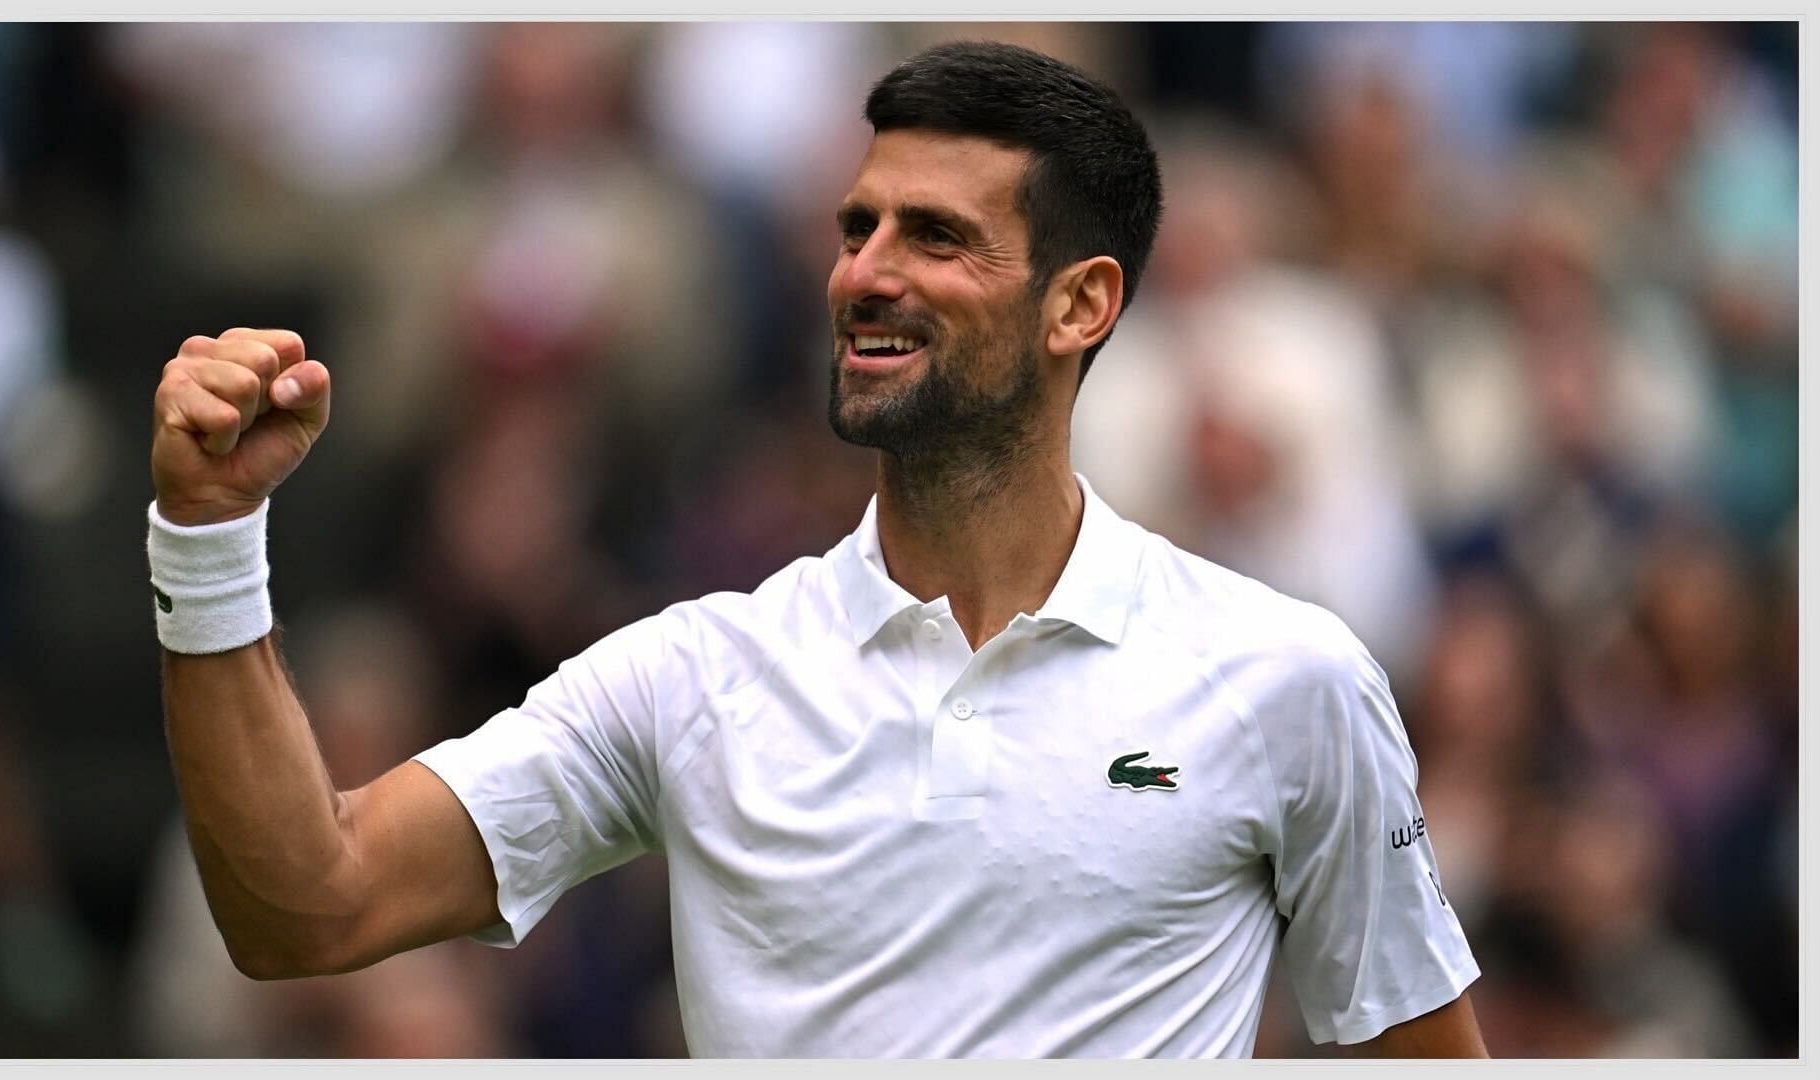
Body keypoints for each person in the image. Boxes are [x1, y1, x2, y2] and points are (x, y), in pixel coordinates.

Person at [147, 41, 1485, 1058]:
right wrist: (209, 538)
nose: (864, 272)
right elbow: (304, 911)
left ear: (1081, 304)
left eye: (937, 236)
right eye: (858, 229)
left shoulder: (1289, 677)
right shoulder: (691, 677)